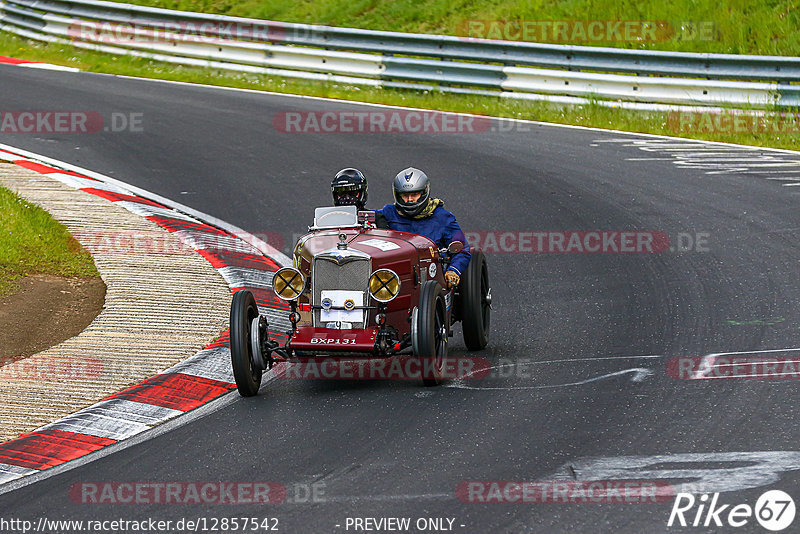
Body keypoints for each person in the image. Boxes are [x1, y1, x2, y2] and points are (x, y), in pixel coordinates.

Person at [376, 167, 470, 288]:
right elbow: (365, 217)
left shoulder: (443, 217)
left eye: (414, 195)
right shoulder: (388, 212)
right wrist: (347, 213)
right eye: (405, 195)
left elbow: (462, 249)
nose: (409, 200)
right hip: (395, 275)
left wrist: (454, 270)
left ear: (424, 192)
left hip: (432, 278)